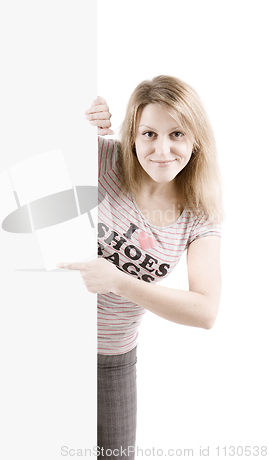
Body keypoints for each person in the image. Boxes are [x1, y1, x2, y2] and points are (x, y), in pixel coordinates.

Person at [57, 75, 223, 459]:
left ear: (195, 139)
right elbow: (20, 138)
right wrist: (73, 115)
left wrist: (119, 282)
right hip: (49, 340)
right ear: (132, 135)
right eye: (149, 133)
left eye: (177, 133)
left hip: (112, 358)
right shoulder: (104, 158)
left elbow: (206, 310)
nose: (162, 150)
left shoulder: (200, 213)